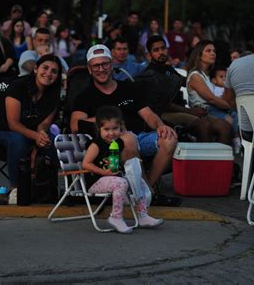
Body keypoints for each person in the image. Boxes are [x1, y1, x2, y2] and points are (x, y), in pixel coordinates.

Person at [70, 44, 178, 194]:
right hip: (110, 145)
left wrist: (160, 126)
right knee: (127, 139)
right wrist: (108, 121)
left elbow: (147, 114)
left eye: (104, 64)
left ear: (112, 64)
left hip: (139, 137)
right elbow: (75, 125)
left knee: (169, 138)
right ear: (89, 69)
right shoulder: (84, 96)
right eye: (96, 66)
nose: (101, 69)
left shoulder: (128, 88)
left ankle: (147, 189)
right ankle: (146, 193)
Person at [0, 54, 62, 204]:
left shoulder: (54, 93)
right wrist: (36, 136)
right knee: (18, 140)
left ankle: (48, 188)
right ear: (36, 69)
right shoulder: (18, 86)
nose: (49, 73)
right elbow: (13, 124)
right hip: (2, 131)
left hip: (31, 132)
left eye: (54, 71)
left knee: (52, 140)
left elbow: (43, 124)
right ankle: (16, 188)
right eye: (45, 68)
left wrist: (41, 135)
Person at [83, 105, 164, 234]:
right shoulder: (96, 145)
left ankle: (142, 215)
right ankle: (115, 217)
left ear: (121, 127)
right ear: (99, 129)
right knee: (122, 183)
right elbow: (86, 164)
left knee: (140, 181)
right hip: (97, 181)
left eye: (115, 128)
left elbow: (120, 161)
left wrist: (133, 165)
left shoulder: (119, 143)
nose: (111, 133)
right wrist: (104, 172)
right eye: (106, 129)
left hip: (115, 178)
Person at [138, 35, 217, 143]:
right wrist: (190, 111)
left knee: (221, 124)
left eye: (163, 48)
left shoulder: (168, 69)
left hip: (182, 109)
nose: (161, 52)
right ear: (149, 55)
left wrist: (203, 72)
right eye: (156, 50)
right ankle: (204, 158)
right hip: (162, 114)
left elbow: (187, 82)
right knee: (203, 124)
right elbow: (164, 104)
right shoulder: (150, 75)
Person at [186, 40, 235, 145]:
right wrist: (230, 105)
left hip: (213, 108)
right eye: (208, 51)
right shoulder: (195, 76)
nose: (213, 53)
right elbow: (211, 98)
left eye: (214, 51)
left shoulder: (208, 75)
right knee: (229, 122)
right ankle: (220, 157)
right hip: (204, 111)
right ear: (199, 55)